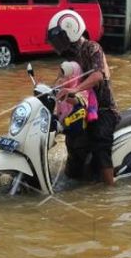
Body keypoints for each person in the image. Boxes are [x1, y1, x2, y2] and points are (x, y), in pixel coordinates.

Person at [47, 10, 120, 185]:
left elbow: (97, 76)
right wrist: (49, 90)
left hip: (103, 109)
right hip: (80, 108)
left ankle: (110, 188)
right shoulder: (70, 56)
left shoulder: (92, 48)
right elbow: (60, 79)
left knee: (101, 145)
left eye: (59, 39)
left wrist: (76, 90)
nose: (56, 45)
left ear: (71, 30)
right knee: (73, 143)